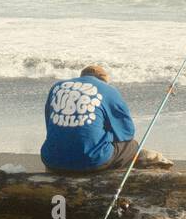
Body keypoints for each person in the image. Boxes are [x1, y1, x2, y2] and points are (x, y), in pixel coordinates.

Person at [40, 64, 173, 174]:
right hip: (91, 161)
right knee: (132, 145)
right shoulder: (108, 90)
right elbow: (127, 133)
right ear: (104, 80)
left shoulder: (57, 87)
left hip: (51, 159)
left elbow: (50, 126)